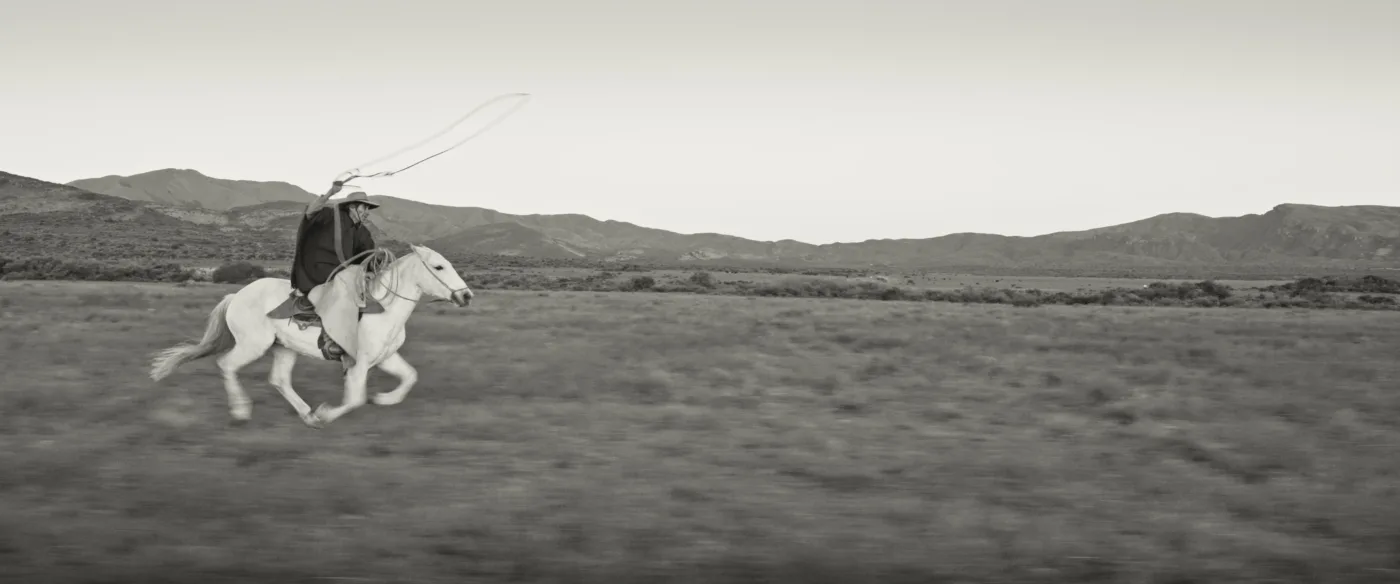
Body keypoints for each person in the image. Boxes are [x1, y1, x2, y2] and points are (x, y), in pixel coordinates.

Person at [290, 181, 380, 298]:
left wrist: (371, 270)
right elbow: (310, 212)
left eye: (368, 209)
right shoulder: (330, 215)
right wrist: (330, 193)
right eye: (365, 207)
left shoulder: (363, 233)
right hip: (318, 268)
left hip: (343, 273)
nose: (367, 212)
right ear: (352, 207)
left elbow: (366, 255)